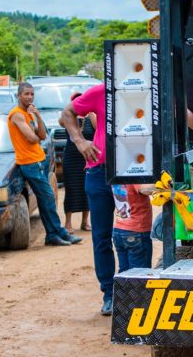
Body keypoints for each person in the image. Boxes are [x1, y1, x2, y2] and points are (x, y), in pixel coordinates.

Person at [60, 83, 115, 316]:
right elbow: (66, 113)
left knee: (133, 235)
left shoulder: (148, 88)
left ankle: (135, 291)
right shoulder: (101, 91)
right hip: (99, 172)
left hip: (133, 173)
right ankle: (110, 293)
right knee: (102, 236)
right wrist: (80, 141)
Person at [8, 83, 82, 247]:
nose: (29, 97)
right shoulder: (17, 115)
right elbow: (32, 138)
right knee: (48, 197)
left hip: (37, 160)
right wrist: (35, 135)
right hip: (28, 163)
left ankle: (52, 236)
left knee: (45, 199)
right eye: (26, 94)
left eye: (32, 94)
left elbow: (41, 134)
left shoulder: (29, 114)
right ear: (19, 95)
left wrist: (38, 116)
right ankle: (60, 232)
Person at [59, 93, 94, 233]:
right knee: (71, 189)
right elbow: (61, 121)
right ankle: (68, 223)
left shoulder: (91, 116)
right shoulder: (68, 118)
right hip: (72, 158)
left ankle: (85, 222)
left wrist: (91, 112)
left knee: (87, 189)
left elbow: (97, 127)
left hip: (87, 158)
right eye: (76, 101)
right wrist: (74, 114)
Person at [112, 183, 155, 271]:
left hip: (119, 229)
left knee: (124, 272)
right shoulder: (133, 174)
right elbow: (145, 189)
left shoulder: (116, 175)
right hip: (136, 230)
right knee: (139, 274)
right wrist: (163, 184)